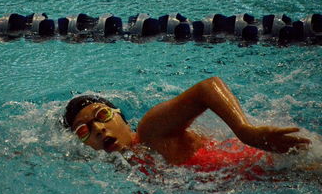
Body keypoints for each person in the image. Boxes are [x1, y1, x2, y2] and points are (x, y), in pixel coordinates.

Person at [63, 77, 311, 177]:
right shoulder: (132, 166)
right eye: (83, 131)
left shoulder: (151, 132)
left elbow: (207, 88)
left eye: (102, 115)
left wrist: (246, 132)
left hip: (289, 161)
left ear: (121, 117)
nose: (97, 129)